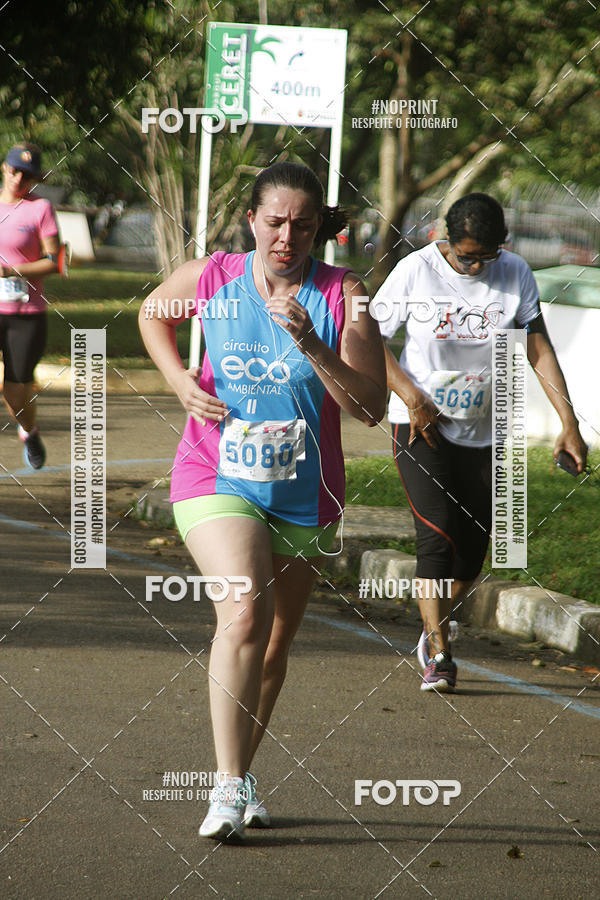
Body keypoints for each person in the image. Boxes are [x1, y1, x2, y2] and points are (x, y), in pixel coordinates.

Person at [138, 161, 386, 840]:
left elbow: (370, 406)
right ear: (251, 220)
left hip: (305, 491)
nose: (286, 237)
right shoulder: (212, 277)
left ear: (318, 232)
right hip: (213, 472)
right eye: (274, 222)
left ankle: (241, 775)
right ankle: (225, 788)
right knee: (245, 612)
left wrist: (311, 341)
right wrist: (178, 381)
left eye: (302, 225)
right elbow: (150, 312)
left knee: (273, 646)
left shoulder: (346, 296)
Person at [374, 192, 588, 692]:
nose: (474, 265)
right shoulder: (415, 271)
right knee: (437, 537)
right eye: (465, 254)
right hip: (419, 424)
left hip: (487, 428)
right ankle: (438, 647)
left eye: (484, 256)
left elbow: (538, 349)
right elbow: (366, 338)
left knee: (473, 551)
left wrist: (569, 423)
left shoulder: (514, 272)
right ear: (445, 239)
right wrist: (409, 393)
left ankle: (436, 623)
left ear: (501, 247)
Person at [0, 142, 60, 469]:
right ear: (4, 168)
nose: (18, 179)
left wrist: (12, 270)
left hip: (25, 313)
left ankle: (29, 430)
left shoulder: (40, 209)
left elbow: (55, 262)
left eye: (27, 176)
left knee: (17, 389)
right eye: (14, 170)